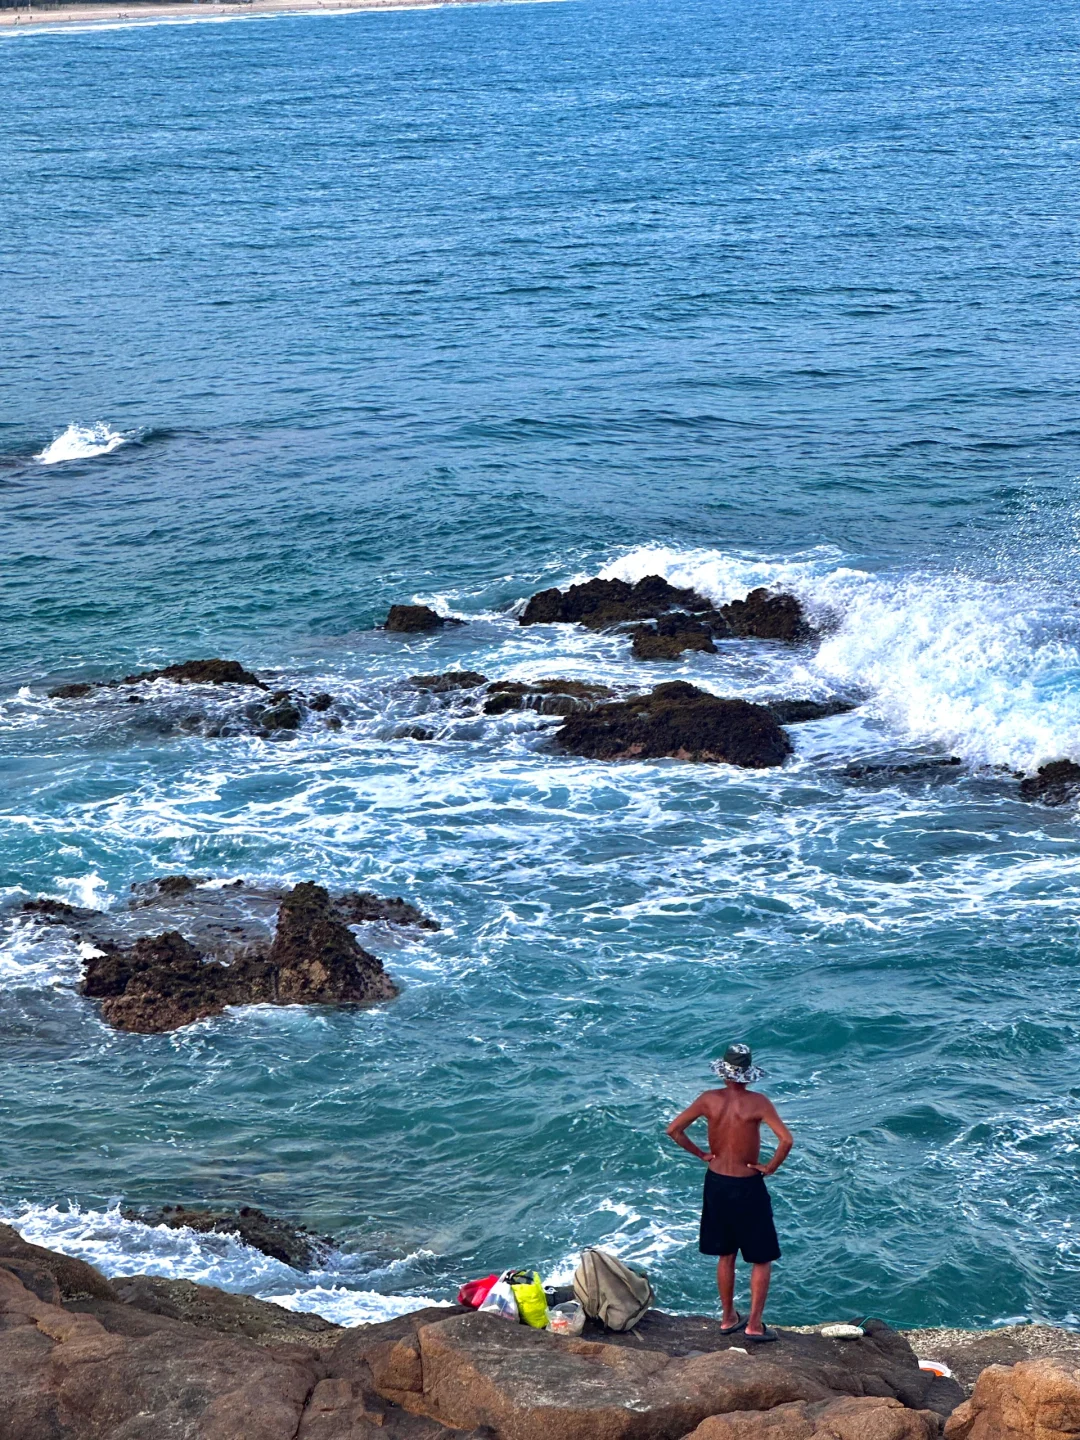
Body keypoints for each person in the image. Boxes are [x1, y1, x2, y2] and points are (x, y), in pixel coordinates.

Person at [666, 1043, 793, 1343]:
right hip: (747, 1185)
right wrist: (770, 1167)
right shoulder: (758, 1103)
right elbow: (786, 1140)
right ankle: (754, 1326)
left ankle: (727, 1318)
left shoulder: (708, 1099)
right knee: (761, 1258)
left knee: (726, 1255)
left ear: (724, 1073)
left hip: (717, 1183)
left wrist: (701, 1154)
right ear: (748, 1075)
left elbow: (674, 1130)